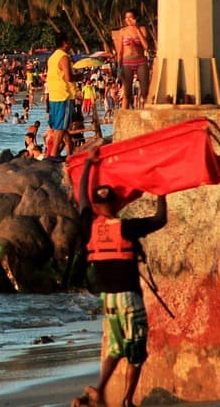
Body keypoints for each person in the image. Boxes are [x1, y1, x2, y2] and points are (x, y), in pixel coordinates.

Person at [73, 155, 169, 407]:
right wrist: (162, 191)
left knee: (116, 348)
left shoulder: (89, 225)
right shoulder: (125, 227)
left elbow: (81, 198)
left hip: (108, 299)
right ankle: (127, 400)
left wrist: (86, 167)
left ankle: (98, 390)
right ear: (116, 204)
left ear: (96, 206)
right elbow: (160, 219)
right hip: (129, 297)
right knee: (136, 351)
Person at [46, 31, 76, 158]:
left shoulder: (52, 57)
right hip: (64, 94)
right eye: (69, 41)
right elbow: (68, 77)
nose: (71, 44)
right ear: (65, 43)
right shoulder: (64, 57)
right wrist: (79, 76)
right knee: (61, 127)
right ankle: (53, 154)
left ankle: (69, 150)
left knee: (60, 125)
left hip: (54, 94)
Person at [115, 9, 153, 109]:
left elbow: (146, 46)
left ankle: (144, 110)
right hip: (126, 62)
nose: (127, 20)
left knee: (145, 91)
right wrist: (118, 67)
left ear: (135, 18)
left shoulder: (142, 29)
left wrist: (137, 29)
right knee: (127, 93)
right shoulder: (122, 31)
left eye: (130, 17)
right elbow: (119, 51)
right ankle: (124, 114)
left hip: (140, 61)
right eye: (126, 17)